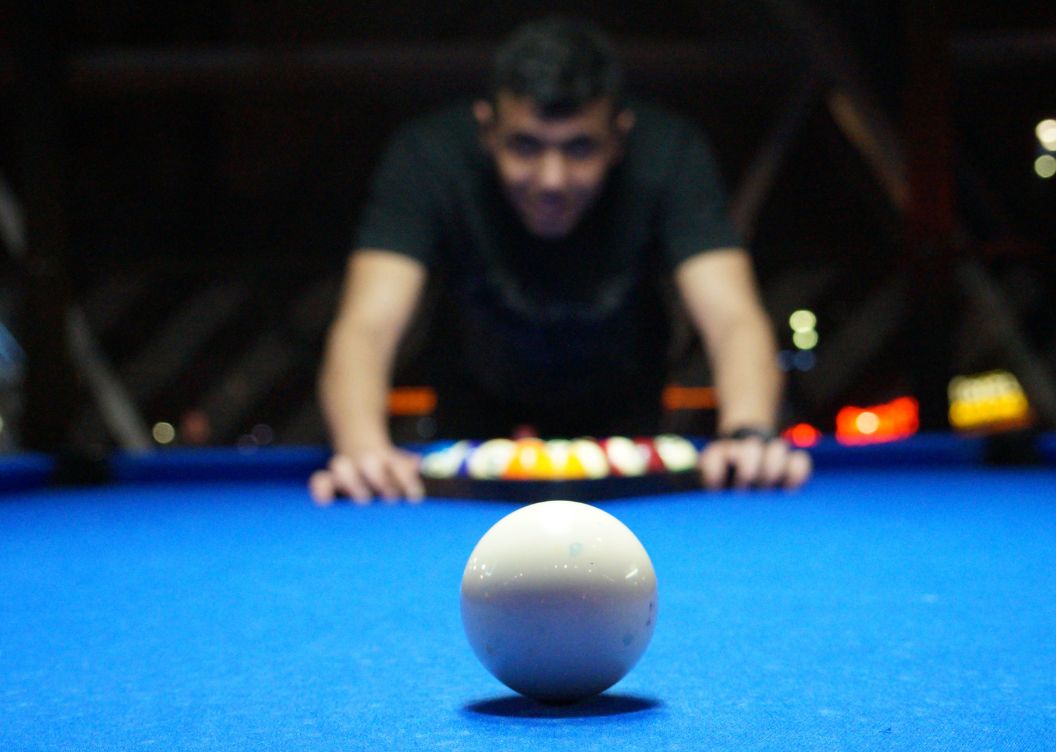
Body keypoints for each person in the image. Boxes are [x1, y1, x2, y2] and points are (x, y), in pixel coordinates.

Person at [309, 17, 812, 504]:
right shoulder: (427, 158)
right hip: (476, 395)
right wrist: (362, 449)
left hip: (622, 399)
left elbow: (732, 318)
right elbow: (367, 325)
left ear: (619, 136)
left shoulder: (670, 155)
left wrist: (749, 431)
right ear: (487, 130)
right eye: (525, 146)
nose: (552, 180)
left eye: (580, 148)